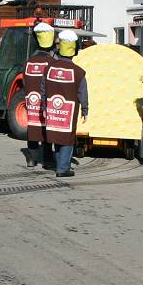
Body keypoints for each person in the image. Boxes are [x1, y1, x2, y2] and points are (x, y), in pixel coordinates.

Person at [46, 30, 88, 178]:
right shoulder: (79, 72)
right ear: (74, 50)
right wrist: (85, 110)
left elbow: (43, 88)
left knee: (56, 135)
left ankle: (60, 164)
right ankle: (63, 168)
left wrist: (44, 106)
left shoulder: (49, 68)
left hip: (52, 109)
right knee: (67, 138)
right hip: (69, 112)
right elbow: (82, 93)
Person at [23, 22, 56, 169]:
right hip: (46, 103)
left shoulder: (28, 62)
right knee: (46, 129)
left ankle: (31, 159)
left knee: (33, 128)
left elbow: (24, 81)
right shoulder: (52, 62)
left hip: (32, 102)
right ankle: (48, 160)